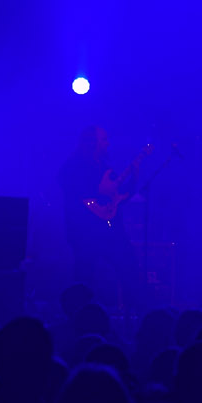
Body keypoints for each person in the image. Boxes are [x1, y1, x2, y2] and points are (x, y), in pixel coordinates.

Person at [58, 127, 141, 311]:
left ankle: (134, 314)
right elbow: (75, 196)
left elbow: (120, 195)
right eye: (104, 139)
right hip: (84, 232)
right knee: (84, 278)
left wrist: (134, 175)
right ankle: (79, 315)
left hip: (109, 230)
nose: (107, 143)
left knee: (129, 267)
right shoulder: (73, 165)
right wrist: (99, 207)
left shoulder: (104, 166)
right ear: (91, 142)